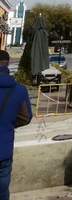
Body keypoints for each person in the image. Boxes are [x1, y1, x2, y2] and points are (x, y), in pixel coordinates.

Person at [0, 50, 32, 200]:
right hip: (4, 150)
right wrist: (9, 124)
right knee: (2, 190)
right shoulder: (19, 90)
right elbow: (26, 118)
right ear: (8, 63)